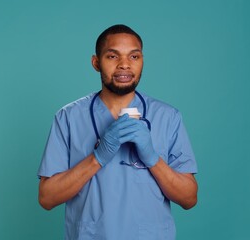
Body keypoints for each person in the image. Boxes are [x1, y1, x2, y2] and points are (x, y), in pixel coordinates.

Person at [37, 24, 198, 240]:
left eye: (134, 57)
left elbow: (189, 199)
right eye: (113, 57)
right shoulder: (68, 118)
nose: (124, 65)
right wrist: (98, 157)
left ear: (142, 61)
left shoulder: (168, 118)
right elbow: (47, 198)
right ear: (96, 63)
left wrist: (152, 158)